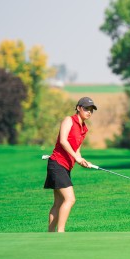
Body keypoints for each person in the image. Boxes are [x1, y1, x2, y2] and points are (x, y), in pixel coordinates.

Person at [44, 97, 97, 232]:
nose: (89, 112)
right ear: (78, 108)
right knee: (70, 199)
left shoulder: (84, 129)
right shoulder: (69, 120)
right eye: (86, 109)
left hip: (65, 167)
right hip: (57, 163)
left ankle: (49, 235)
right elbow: (63, 141)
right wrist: (76, 158)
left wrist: (82, 161)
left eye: (91, 110)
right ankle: (60, 232)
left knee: (58, 202)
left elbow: (76, 149)